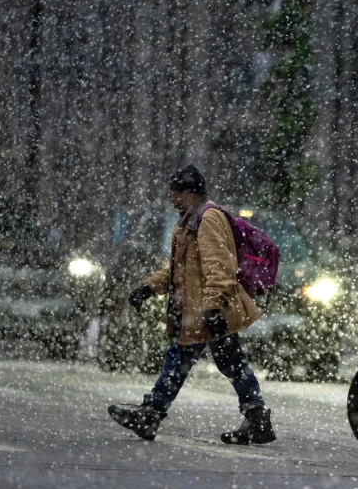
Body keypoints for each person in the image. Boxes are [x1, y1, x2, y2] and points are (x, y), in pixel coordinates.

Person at [108, 165, 275, 445]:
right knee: (228, 363)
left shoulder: (207, 219)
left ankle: (151, 415)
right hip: (199, 310)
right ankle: (257, 418)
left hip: (205, 311)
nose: (171, 197)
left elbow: (219, 267)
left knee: (184, 362)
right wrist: (149, 287)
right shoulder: (189, 220)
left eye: (175, 192)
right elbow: (180, 268)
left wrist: (212, 307)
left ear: (189, 192)